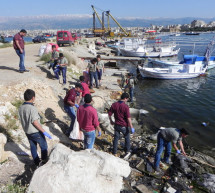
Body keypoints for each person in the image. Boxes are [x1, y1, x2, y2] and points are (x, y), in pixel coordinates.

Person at [18, 89, 52, 166]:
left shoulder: (21, 108)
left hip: (27, 132)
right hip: (35, 132)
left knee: (33, 146)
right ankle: (44, 161)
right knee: (43, 146)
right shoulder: (32, 108)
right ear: (33, 98)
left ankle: (36, 162)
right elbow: (35, 122)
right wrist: (44, 131)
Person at [108, 93, 135, 158]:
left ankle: (114, 151)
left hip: (116, 124)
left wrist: (111, 121)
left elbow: (109, 114)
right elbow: (128, 118)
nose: (127, 100)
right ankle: (127, 150)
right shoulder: (125, 107)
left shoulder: (114, 105)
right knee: (127, 138)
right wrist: (131, 127)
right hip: (123, 126)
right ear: (125, 98)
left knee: (116, 138)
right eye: (127, 99)